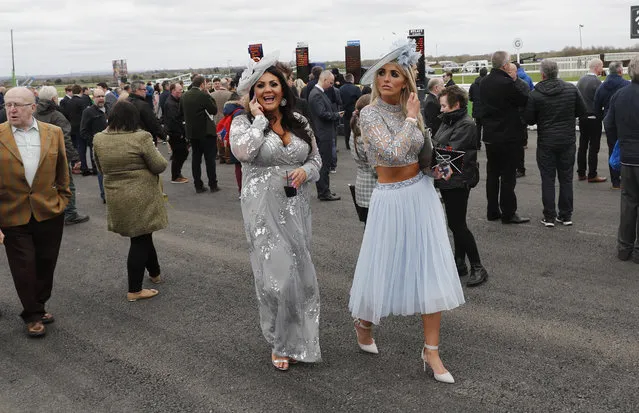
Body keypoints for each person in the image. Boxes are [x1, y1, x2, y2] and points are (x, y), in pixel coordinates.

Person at [349, 42, 465, 384]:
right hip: (389, 199)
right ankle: (364, 323)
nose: (386, 79)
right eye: (382, 73)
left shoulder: (412, 109)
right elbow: (391, 153)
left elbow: (418, 156)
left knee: (430, 268)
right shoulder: (369, 113)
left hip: (421, 195)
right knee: (381, 265)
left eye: (394, 74)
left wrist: (436, 169)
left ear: (406, 81)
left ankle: (431, 350)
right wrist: (412, 119)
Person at [230, 55, 323, 371]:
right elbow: (242, 152)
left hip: (296, 207)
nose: (268, 89)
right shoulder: (243, 121)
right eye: (261, 85)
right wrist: (258, 120)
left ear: (283, 89)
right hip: (262, 210)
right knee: (276, 280)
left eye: (274, 84)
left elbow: (316, 160)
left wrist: (305, 172)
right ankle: (279, 342)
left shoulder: (299, 120)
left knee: (302, 279)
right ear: (253, 92)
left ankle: (302, 342)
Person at [0, 87, 72, 337]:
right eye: (8, 104)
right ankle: (32, 314)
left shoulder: (53, 133)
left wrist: (63, 198)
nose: (11, 109)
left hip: (48, 210)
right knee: (24, 267)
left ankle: (39, 305)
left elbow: (62, 169)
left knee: (45, 263)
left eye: (17, 104)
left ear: (33, 107)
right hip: (11, 213)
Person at [93, 101, 168, 302]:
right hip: (142, 195)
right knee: (140, 239)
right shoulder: (141, 137)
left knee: (144, 234)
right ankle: (134, 289)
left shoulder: (99, 139)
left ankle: (155, 273)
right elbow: (159, 165)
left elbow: (99, 167)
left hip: (116, 195)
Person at [433, 85, 488, 286]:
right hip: (448, 178)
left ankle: (478, 266)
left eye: (444, 106)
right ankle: (459, 262)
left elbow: (449, 151)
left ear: (456, 105)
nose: (441, 109)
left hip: (458, 179)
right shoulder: (448, 121)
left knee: (457, 224)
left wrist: (431, 155)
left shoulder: (466, 124)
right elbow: (438, 145)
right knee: (456, 223)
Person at [524, 60, 586, 227]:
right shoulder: (571, 89)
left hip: (547, 141)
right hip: (567, 140)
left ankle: (549, 216)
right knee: (566, 178)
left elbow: (529, 119)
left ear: (542, 74)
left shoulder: (535, 94)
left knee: (548, 178)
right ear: (557, 72)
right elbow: (582, 111)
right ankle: (565, 215)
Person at [480, 51, 530, 224]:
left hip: (490, 135)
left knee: (493, 174)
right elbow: (523, 99)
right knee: (508, 176)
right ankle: (508, 212)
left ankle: (492, 210)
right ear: (505, 65)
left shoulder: (484, 82)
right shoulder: (507, 83)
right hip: (508, 135)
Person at [34, 86, 89, 225]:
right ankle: (70, 213)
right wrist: (75, 158)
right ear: (53, 99)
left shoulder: (33, 114)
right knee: (67, 184)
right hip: (57, 156)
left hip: (38, 157)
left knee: (46, 185)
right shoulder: (57, 116)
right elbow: (65, 139)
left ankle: (50, 211)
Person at [603, 56, 639, 262]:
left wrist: (620, 141)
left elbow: (608, 124)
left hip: (627, 157)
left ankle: (624, 248)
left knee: (628, 203)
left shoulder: (619, 95)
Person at [180, 75, 220, 193]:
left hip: (192, 132)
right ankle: (213, 184)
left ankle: (198, 185)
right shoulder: (203, 95)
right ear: (202, 84)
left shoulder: (184, 96)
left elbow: (180, 112)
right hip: (206, 131)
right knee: (210, 160)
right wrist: (208, 95)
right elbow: (213, 110)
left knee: (196, 160)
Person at [594, 61, 629, 189]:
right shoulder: (626, 85)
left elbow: (596, 107)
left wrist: (602, 116)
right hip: (624, 121)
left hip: (609, 122)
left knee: (612, 149)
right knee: (626, 148)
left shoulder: (602, 87)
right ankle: (626, 179)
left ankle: (615, 181)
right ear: (620, 71)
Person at [308, 70, 343, 201]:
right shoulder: (316, 94)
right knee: (324, 164)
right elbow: (322, 113)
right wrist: (336, 115)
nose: (332, 85)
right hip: (323, 134)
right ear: (325, 80)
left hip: (323, 132)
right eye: (331, 82)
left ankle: (325, 190)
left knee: (325, 163)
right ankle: (323, 192)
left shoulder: (318, 93)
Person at [576, 58, 606, 183]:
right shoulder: (597, 83)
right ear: (597, 67)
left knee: (582, 145)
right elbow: (601, 101)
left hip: (582, 117)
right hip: (594, 118)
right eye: (601, 67)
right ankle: (592, 174)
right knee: (594, 147)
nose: (602, 69)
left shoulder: (580, 81)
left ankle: (581, 173)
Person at [349, 94, 374, 222]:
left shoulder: (355, 128)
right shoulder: (367, 133)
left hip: (362, 187)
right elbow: (375, 167)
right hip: (373, 189)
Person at [164, 83, 189, 184]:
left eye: (182, 89)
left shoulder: (175, 101)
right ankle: (175, 176)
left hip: (177, 132)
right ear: (173, 90)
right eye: (179, 89)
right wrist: (181, 133)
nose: (181, 91)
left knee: (181, 153)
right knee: (179, 154)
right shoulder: (170, 103)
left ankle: (177, 174)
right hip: (175, 133)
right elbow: (175, 120)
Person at [79, 88, 107, 176]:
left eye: (103, 96)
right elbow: (83, 131)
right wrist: (94, 141)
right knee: (100, 174)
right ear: (93, 98)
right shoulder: (88, 112)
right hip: (97, 148)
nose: (101, 98)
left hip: (112, 147)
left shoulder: (110, 109)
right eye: (98, 96)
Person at [128, 81, 164, 145]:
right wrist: (164, 136)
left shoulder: (125, 102)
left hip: (131, 140)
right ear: (137, 90)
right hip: (145, 140)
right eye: (144, 89)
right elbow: (153, 123)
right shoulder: (143, 105)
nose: (146, 91)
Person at [340, 73, 362, 150]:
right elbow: (360, 100)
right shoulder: (356, 88)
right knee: (355, 128)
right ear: (352, 79)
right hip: (354, 111)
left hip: (345, 111)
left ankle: (347, 145)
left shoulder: (341, 88)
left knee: (347, 128)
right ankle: (355, 144)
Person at [66, 84, 91, 152]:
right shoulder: (81, 101)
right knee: (82, 148)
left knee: (75, 147)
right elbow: (85, 115)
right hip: (81, 127)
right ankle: (83, 162)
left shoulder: (68, 101)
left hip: (72, 127)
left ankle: (76, 161)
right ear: (81, 91)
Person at [469, 67, 487, 150]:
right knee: (487, 127)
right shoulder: (488, 84)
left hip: (476, 109)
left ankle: (477, 144)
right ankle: (487, 143)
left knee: (478, 128)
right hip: (486, 110)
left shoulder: (473, 85)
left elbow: (470, 98)